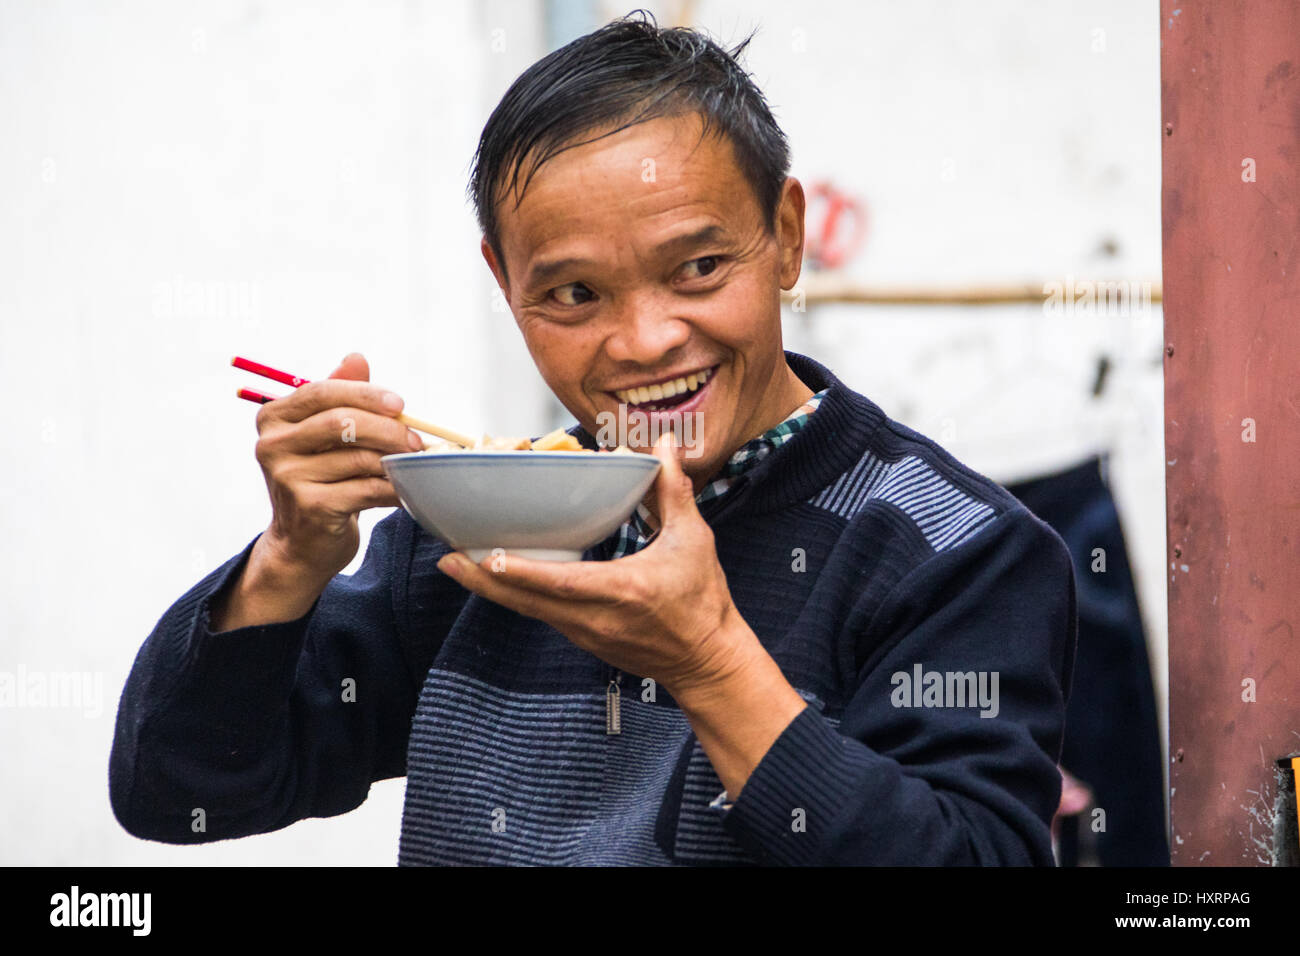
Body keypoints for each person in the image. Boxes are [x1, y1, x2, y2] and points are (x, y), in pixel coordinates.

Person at [110, 12, 1077, 865]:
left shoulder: (958, 552)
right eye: (574, 294)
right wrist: (287, 561)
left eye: (699, 267)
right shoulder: (484, 524)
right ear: (506, 284)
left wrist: (709, 663)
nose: (645, 340)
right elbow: (180, 791)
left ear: (785, 235)